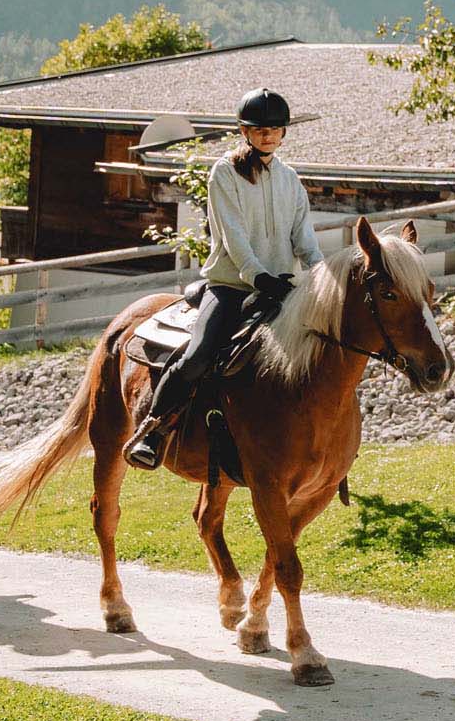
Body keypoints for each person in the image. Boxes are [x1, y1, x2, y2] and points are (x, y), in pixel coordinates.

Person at [124, 88, 321, 470]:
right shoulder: (225, 172)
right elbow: (233, 237)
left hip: (283, 289)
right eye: (259, 129)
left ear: (284, 133)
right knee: (197, 356)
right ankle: (154, 430)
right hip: (231, 286)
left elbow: (305, 240)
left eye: (275, 129)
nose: (268, 136)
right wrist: (258, 277)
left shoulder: (290, 179)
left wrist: (322, 277)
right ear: (244, 132)